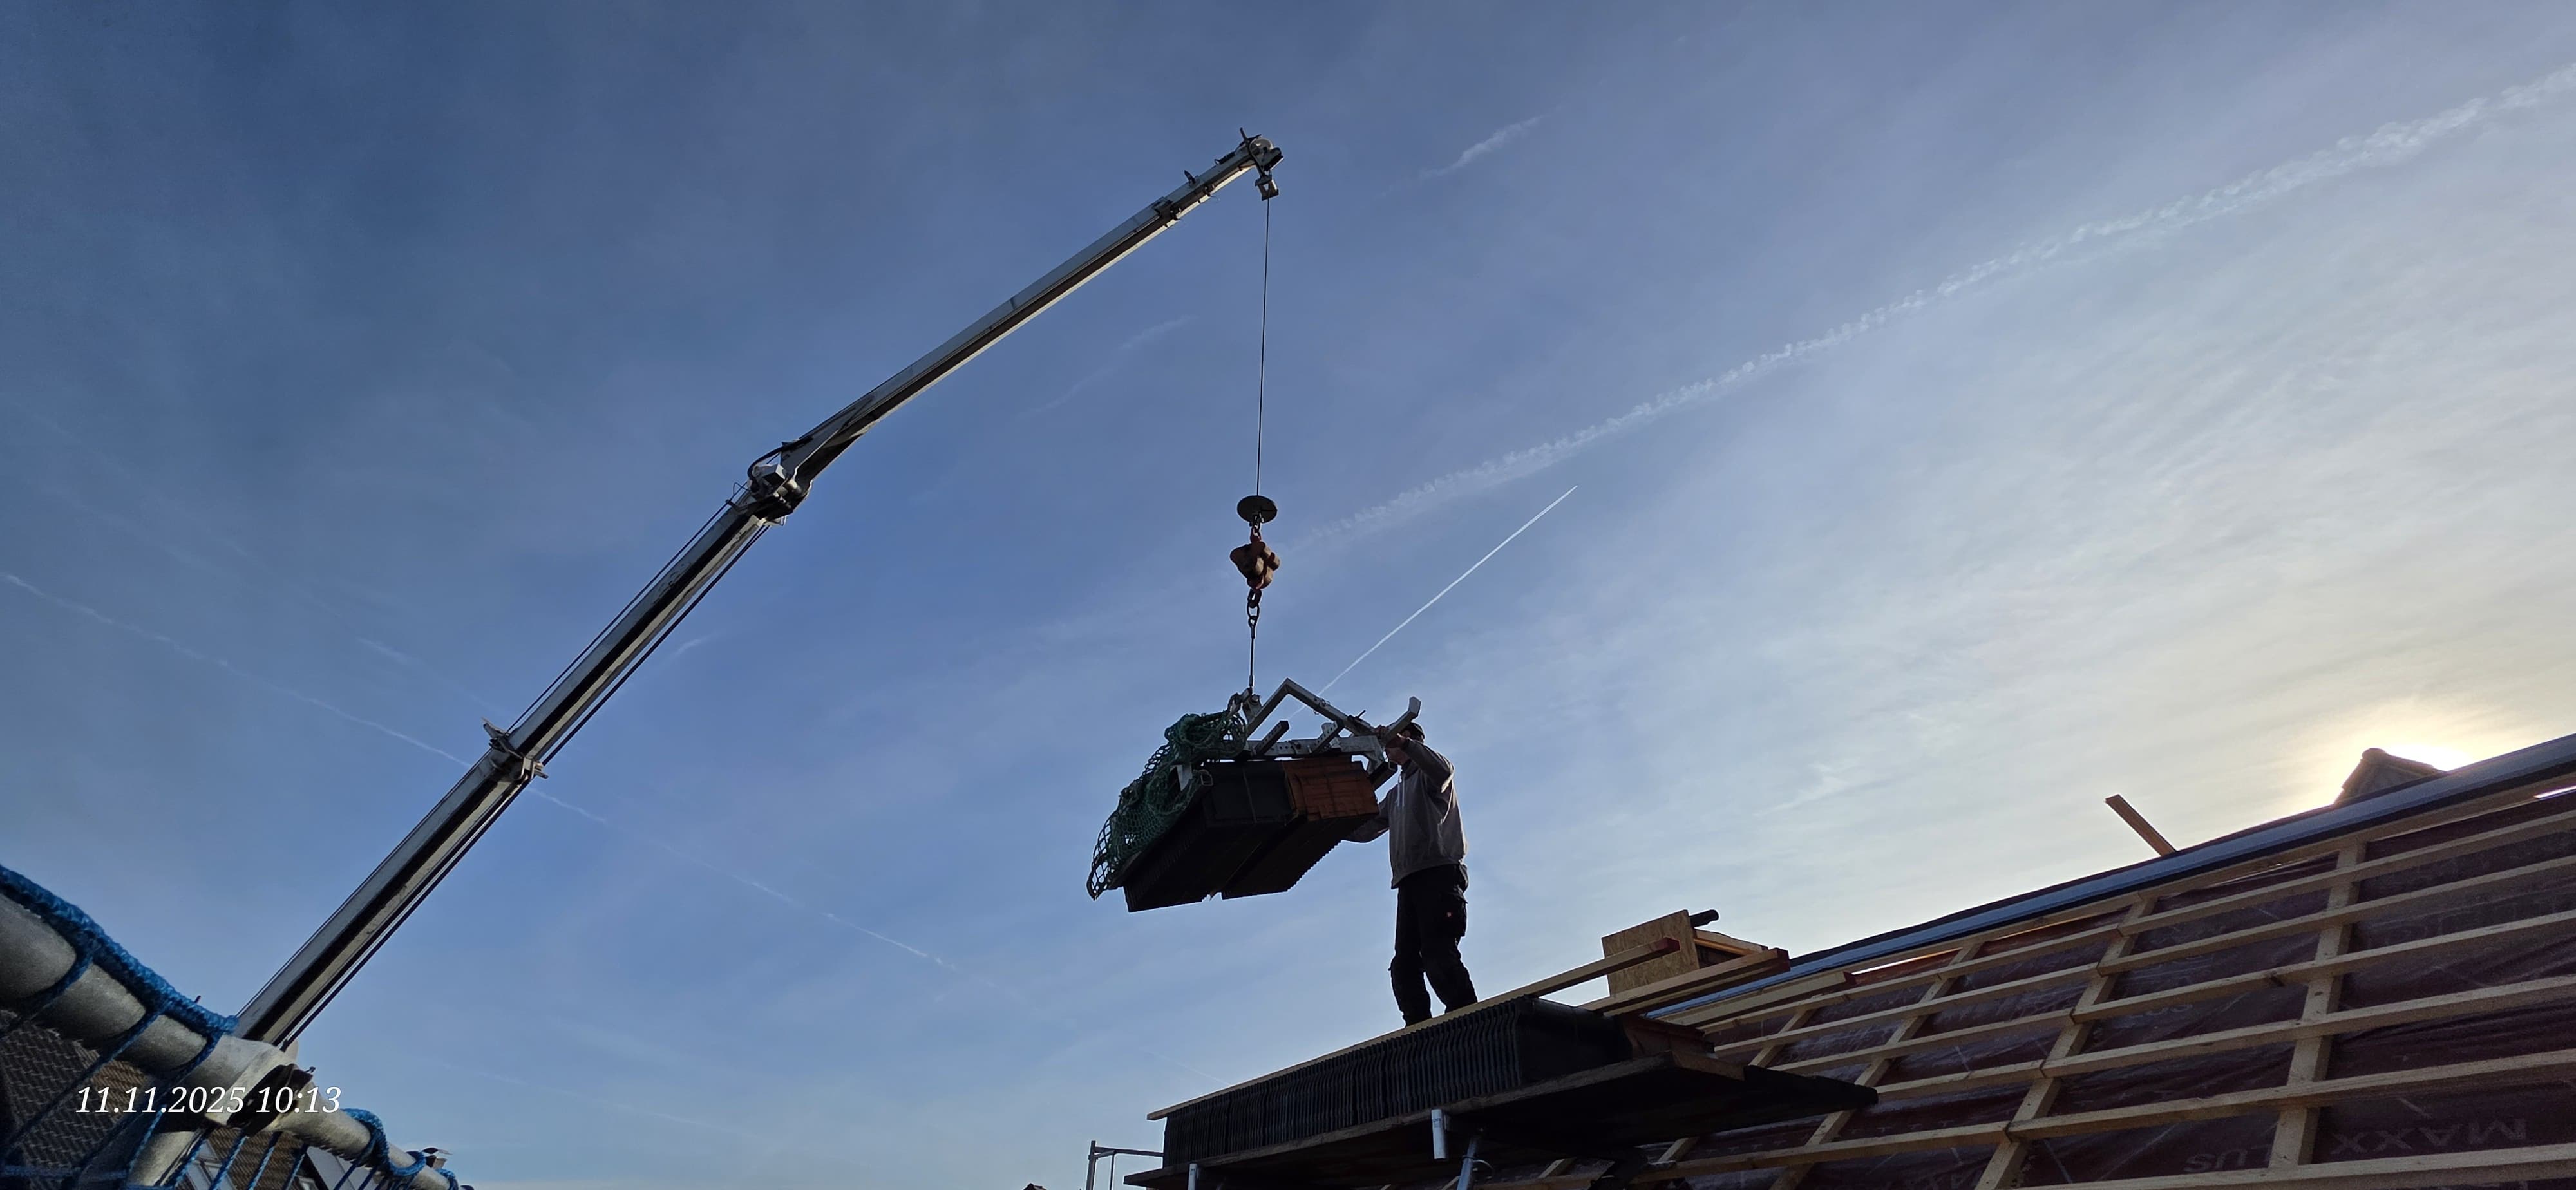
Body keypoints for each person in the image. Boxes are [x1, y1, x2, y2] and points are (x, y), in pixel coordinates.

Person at [1348, 720, 1477, 1025]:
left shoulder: (1432, 776)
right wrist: (1326, 827)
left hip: (1440, 874)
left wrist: (1404, 742)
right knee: (1405, 963)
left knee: (1438, 953)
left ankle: (1468, 1017)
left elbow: (1444, 769)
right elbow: (1367, 829)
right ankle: (1417, 1025)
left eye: (1393, 743)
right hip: (1409, 881)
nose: (1387, 750)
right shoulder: (1398, 793)